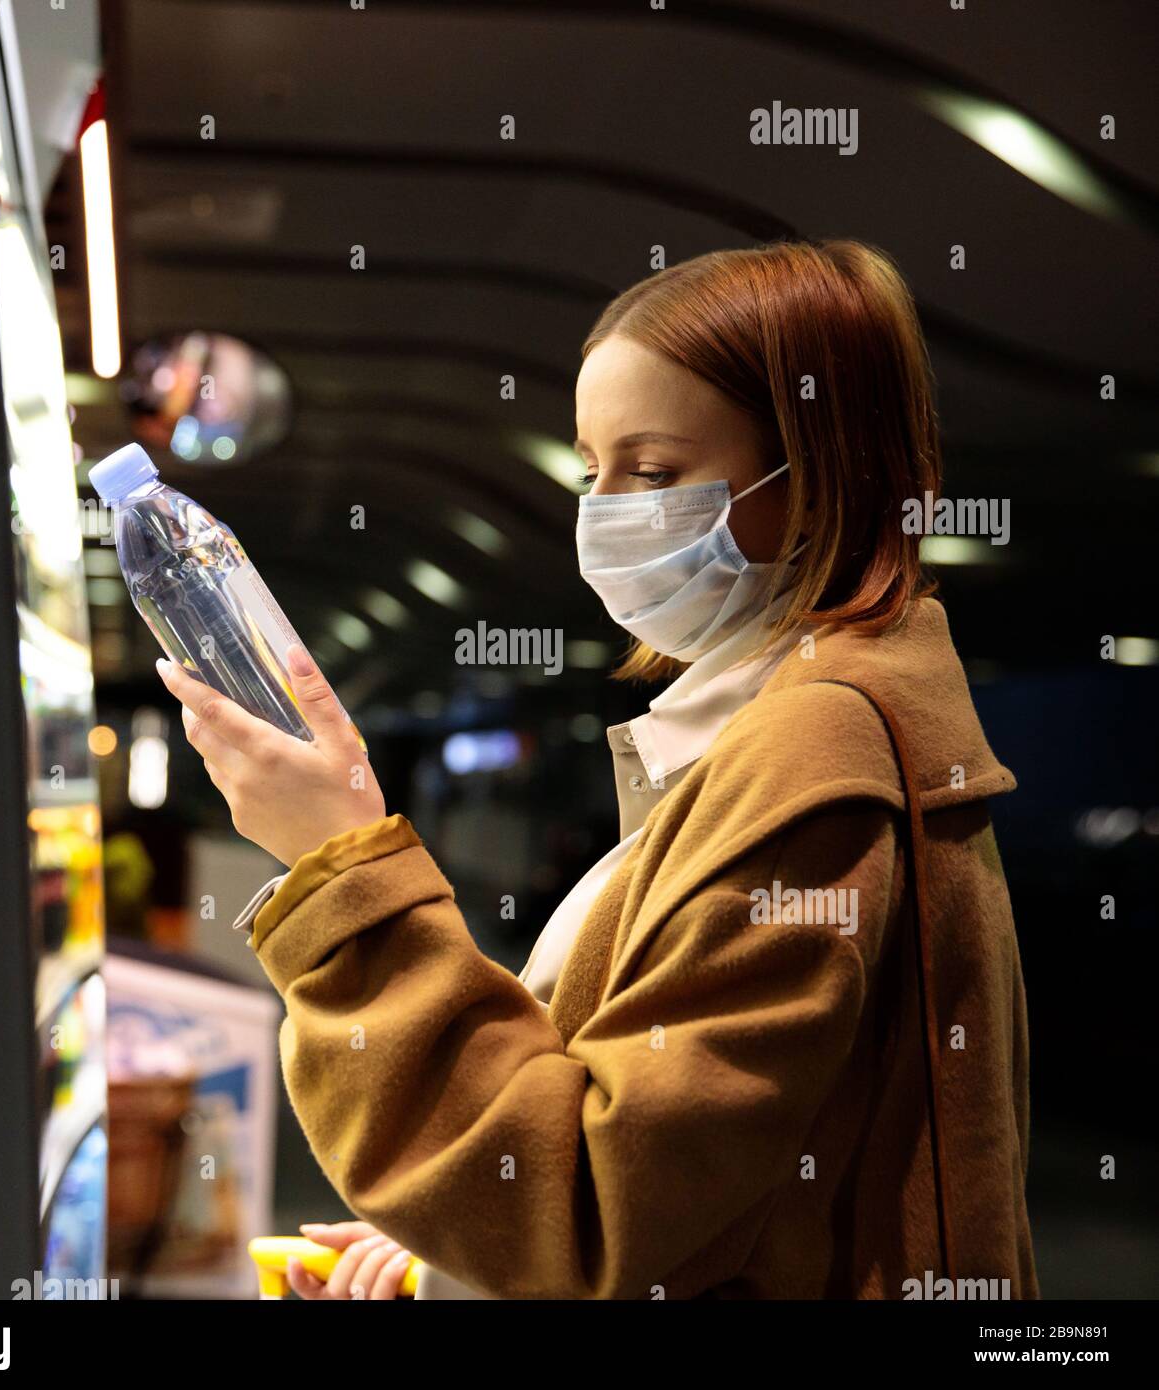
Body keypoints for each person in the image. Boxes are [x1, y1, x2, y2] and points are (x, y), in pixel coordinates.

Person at [158, 240, 1038, 1300]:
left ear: (822, 474)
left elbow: (591, 1214)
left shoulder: (818, 759)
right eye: (591, 471)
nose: (605, 509)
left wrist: (337, 867)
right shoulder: (782, 728)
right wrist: (453, 1255)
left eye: (655, 471)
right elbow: (693, 1189)